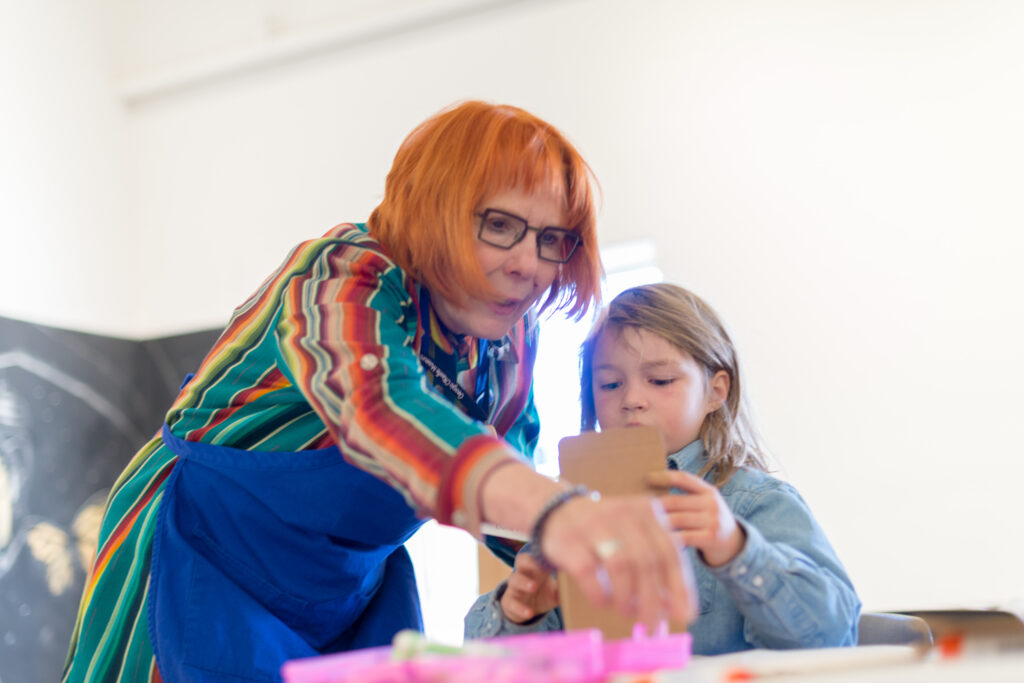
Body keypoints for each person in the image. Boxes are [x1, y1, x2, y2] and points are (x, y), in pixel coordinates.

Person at [61, 102, 697, 683]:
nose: (529, 264)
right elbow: (382, 411)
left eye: (551, 240)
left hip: (347, 591)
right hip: (202, 558)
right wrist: (558, 514)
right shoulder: (343, 275)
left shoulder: (510, 338)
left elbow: (506, 474)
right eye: (500, 226)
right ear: (435, 210)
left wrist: (543, 558)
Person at [465, 282, 862, 654]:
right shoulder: (572, 512)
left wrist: (736, 550)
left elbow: (835, 633)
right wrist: (519, 612)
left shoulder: (754, 504)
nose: (632, 399)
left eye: (660, 380)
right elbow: (485, 656)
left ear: (715, 391)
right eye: (609, 385)